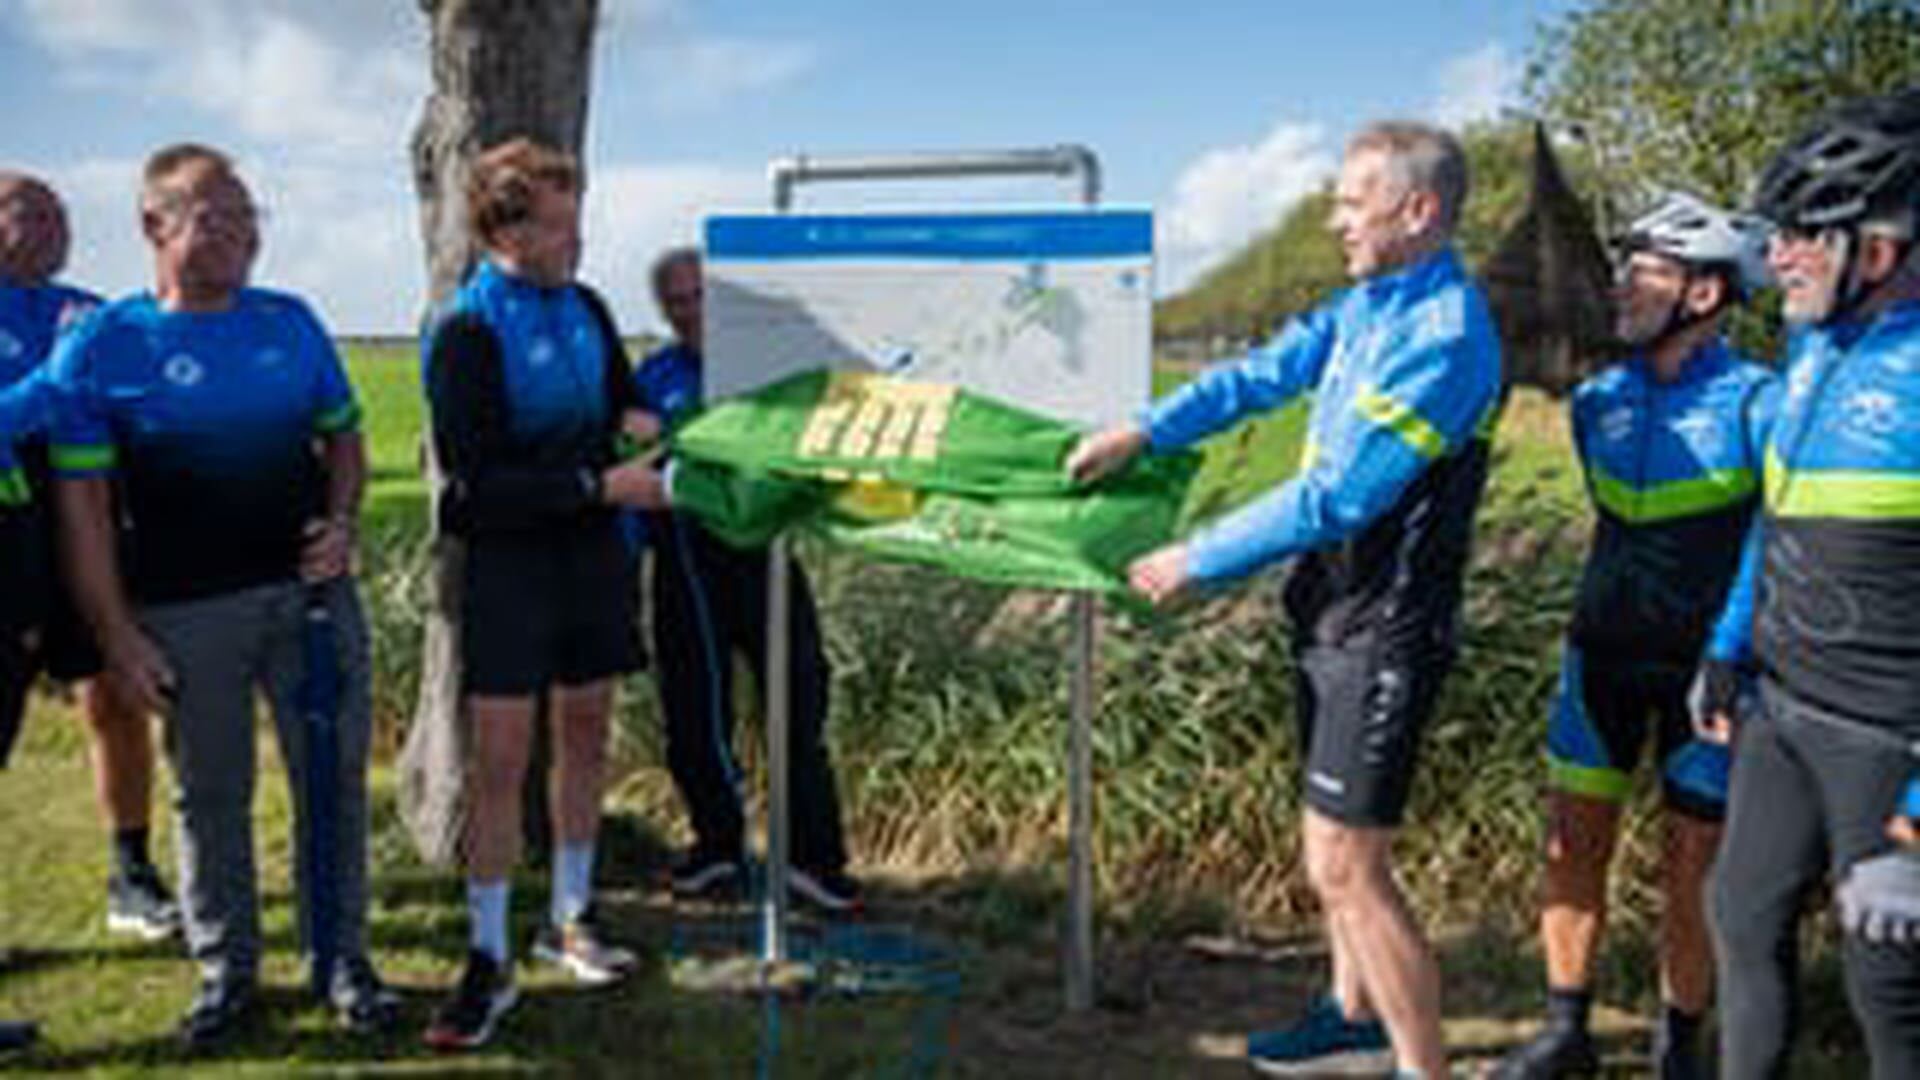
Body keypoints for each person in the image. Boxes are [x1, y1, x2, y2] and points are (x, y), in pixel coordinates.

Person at [1068, 120, 1499, 1079]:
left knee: (1352, 866)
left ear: (1416, 208)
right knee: (1328, 857)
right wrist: (1144, 430)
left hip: (1388, 625)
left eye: (1352, 201)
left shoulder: (1445, 334)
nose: (1334, 221)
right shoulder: (1369, 303)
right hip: (1330, 611)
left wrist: (1199, 556)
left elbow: (1342, 492)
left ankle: (1424, 1069)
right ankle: (1350, 1020)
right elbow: (1260, 375)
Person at [47, 144, 395, 1048]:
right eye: (214, 216)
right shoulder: (105, 342)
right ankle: (226, 973)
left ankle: (343, 962)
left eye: (248, 217)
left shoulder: (293, 322)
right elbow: (81, 508)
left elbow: (346, 441)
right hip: (184, 614)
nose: (239, 234)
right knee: (210, 796)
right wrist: (117, 636)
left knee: (332, 788)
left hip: (310, 604)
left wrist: (344, 521)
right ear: (153, 227)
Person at [1494, 193, 1776, 1080]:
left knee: (1692, 864)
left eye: (1645, 269)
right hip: (1600, 653)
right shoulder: (1599, 396)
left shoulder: (1756, 401)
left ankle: (1678, 1046)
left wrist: (1732, 655)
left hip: (1707, 671)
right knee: (1574, 841)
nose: (1621, 284)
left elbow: (1774, 544)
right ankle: (1565, 1029)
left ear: (1701, 293)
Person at [420, 138, 666, 1051]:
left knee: (587, 731)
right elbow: (473, 486)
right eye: (558, 223)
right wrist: (596, 483)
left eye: (577, 217)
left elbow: (622, 405)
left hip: (592, 558)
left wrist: (634, 421)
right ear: (503, 225)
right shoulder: (466, 330)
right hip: (508, 564)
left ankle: (570, 915)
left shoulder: (588, 306)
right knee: (499, 758)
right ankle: (486, 958)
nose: (577, 239)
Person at [1694, 87, 1920, 1078]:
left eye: (1799, 233)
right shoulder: (1811, 342)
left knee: (1889, 984)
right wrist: (1727, 643)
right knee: (1739, 919)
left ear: (1878, 247)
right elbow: (1777, 511)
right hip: (1783, 710)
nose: (1773, 254)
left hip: (1889, 734)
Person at [633, 247, 858, 913]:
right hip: (685, 562)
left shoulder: (767, 372)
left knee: (798, 703)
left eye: (700, 296)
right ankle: (719, 849)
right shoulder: (655, 376)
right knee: (695, 719)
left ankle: (814, 861)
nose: (689, 312)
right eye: (675, 301)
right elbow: (636, 464)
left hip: (766, 554)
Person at [0, 171, 177, 940]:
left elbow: (138, 409)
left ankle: (130, 873)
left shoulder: (91, 311)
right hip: (11, 530)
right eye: (31, 213)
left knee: (114, 690)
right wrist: (60, 372)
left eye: (61, 214)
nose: (54, 226)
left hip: (93, 517)